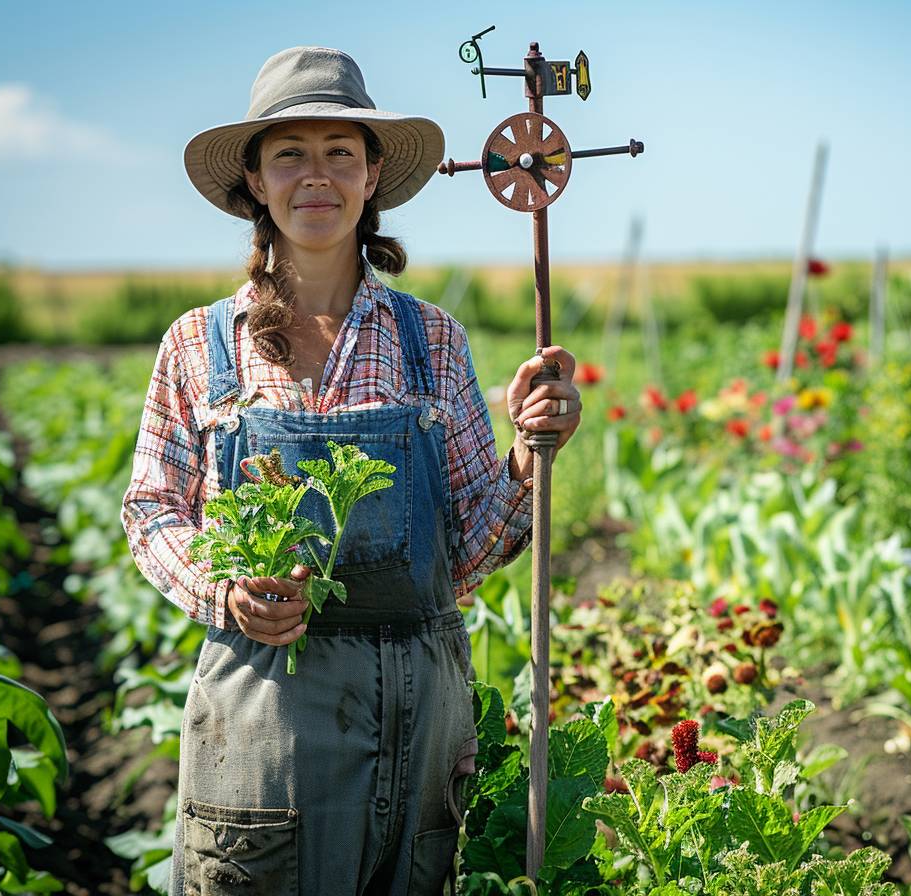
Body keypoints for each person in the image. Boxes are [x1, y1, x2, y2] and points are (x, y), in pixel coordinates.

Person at [119, 46, 581, 895]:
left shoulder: (430, 338)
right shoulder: (198, 343)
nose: (317, 175)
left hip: (420, 707)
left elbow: (465, 553)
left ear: (372, 176)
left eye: (341, 151)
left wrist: (525, 456)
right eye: (290, 152)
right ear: (256, 180)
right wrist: (224, 593)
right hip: (267, 711)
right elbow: (150, 508)